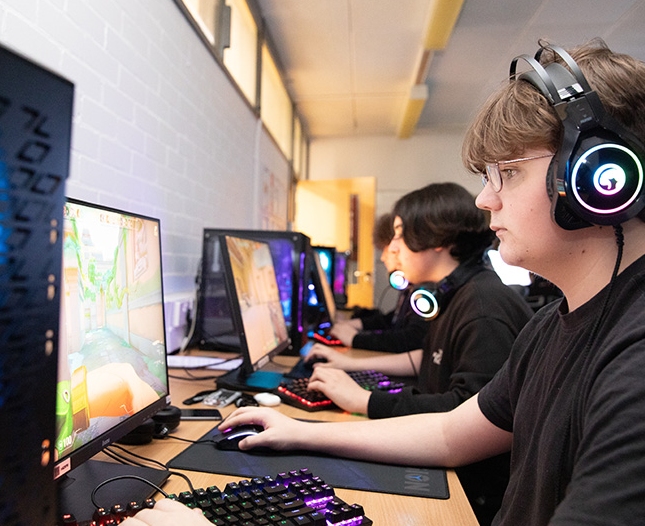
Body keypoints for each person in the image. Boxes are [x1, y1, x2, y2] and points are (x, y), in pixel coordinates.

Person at [215, 39, 645, 526]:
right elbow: (449, 435)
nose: (484, 200)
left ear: (602, 176)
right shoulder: (551, 326)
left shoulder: (634, 361)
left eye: (508, 173)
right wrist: (297, 431)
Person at [305, 182, 533, 524]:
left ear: (435, 238)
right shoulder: (454, 296)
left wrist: (368, 401)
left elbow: (467, 411)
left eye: (399, 235)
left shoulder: (483, 306)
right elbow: (427, 363)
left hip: (472, 493)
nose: (392, 250)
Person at [330, 212, 430, 352]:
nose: (383, 258)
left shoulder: (425, 292)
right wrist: (358, 324)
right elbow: (394, 320)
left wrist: (356, 339)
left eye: (386, 250)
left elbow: (412, 339)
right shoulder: (409, 287)